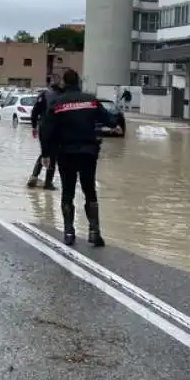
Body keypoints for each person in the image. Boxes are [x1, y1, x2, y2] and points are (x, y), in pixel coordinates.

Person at [39, 69, 122, 247]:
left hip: (65, 153)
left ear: (63, 84)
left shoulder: (57, 103)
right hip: (87, 152)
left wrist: (46, 154)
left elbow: (46, 130)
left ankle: (69, 232)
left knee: (67, 192)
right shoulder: (90, 100)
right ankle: (94, 232)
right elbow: (108, 118)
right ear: (79, 82)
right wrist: (116, 123)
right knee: (89, 190)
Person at [26, 81, 63, 190]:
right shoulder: (62, 96)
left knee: (44, 153)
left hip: (44, 128)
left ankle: (34, 176)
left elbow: (34, 112)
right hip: (57, 129)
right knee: (53, 155)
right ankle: (48, 182)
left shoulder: (43, 95)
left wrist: (34, 126)